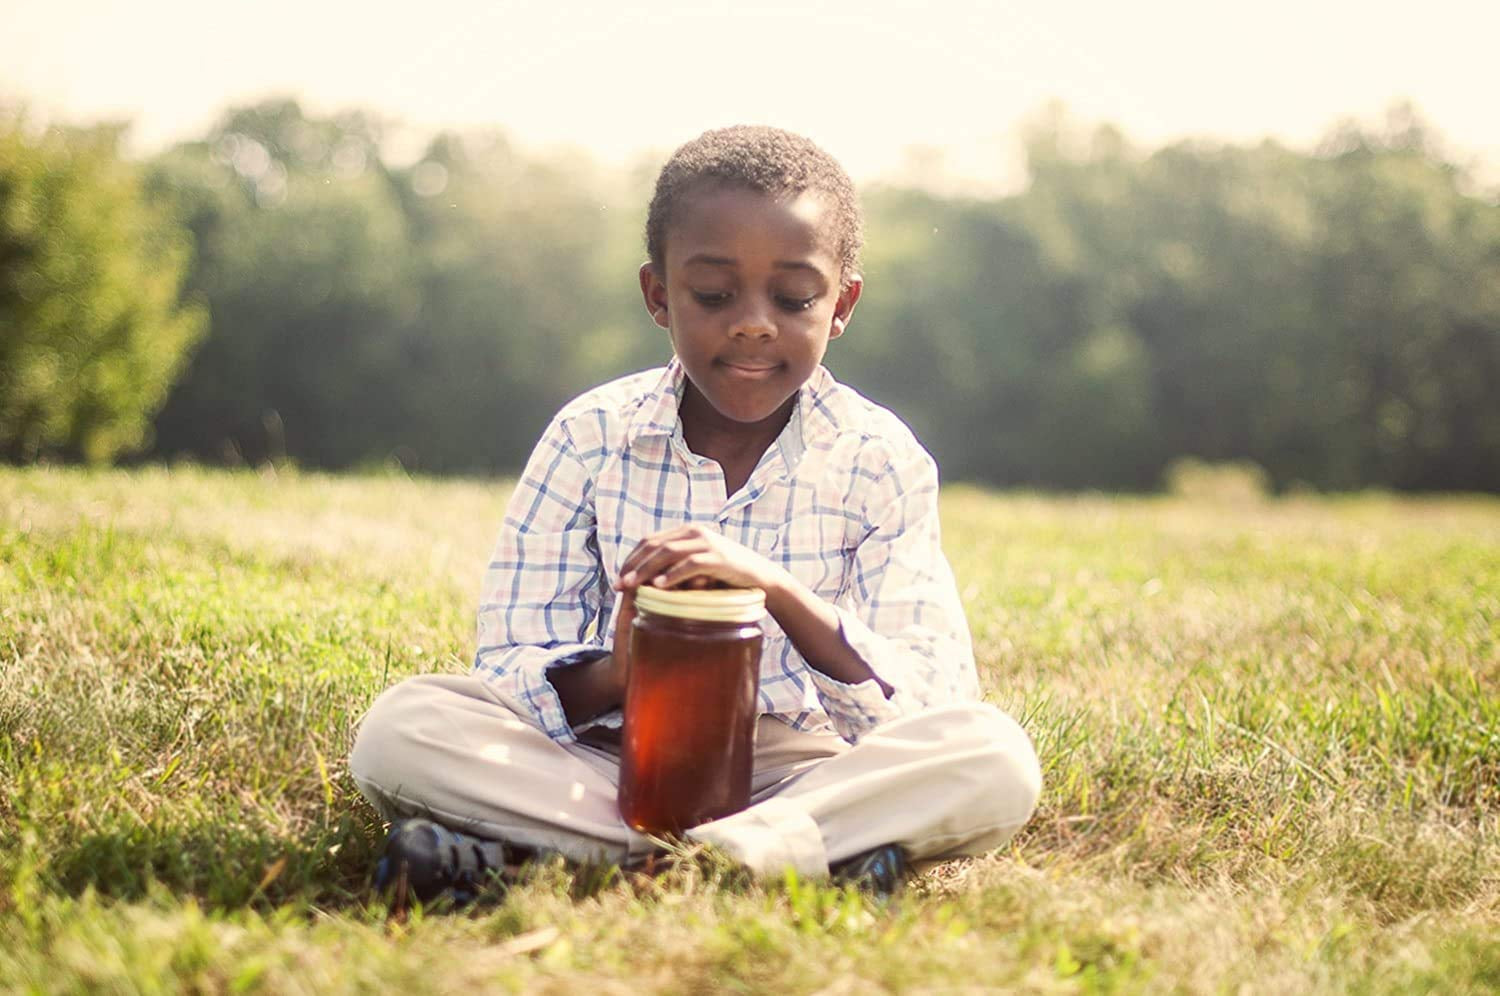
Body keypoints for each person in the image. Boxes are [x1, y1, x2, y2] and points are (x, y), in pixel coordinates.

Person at [349, 125, 1042, 904]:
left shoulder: (878, 456)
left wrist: (776, 590)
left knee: (994, 756)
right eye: (713, 295)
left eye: (793, 297)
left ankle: (588, 860)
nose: (752, 322)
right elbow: (509, 667)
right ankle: (778, 862)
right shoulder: (591, 437)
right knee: (403, 729)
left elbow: (929, 700)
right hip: (614, 762)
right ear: (658, 295)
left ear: (841, 303)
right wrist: (621, 671)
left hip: (801, 768)